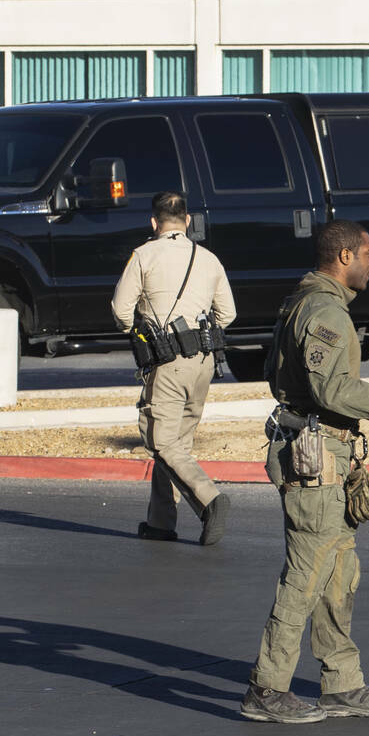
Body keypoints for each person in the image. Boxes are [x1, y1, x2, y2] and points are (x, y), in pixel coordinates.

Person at [241, 220, 369, 724]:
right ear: (344, 256)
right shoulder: (324, 311)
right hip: (316, 458)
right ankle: (267, 687)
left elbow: (305, 380)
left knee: (337, 575)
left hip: (323, 450)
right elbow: (332, 392)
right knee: (307, 573)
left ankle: (342, 684)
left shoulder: (303, 303)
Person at [112, 191, 236, 545]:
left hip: (166, 362)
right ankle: (161, 522)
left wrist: (137, 324)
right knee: (177, 442)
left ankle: (210, 499)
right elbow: (228, 314)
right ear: (189, 221)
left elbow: (121, 312)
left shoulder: (144, 255)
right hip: (203, 362)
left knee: (161, 440)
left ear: (153, 223)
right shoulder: (209, 259)